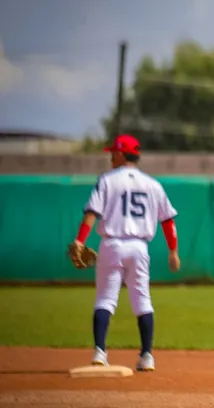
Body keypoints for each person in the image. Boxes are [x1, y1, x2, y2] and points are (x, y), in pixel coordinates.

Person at [71, 134, 181, 371]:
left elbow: (92, 212)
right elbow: (168, 221)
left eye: (113, 152)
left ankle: (100, 352)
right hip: (139, 247)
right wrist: (173, 251)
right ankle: (147, 356)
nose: (111, 156)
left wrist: (80, 240)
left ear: (121, 154)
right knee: (143, 300)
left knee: (105, 299)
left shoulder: (108, 180)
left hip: (112, 244)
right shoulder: (153, 184)